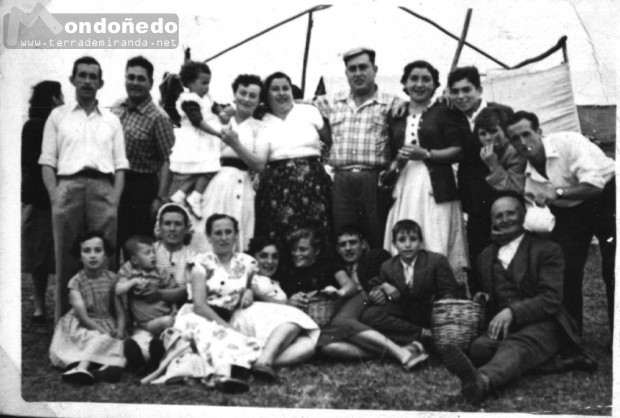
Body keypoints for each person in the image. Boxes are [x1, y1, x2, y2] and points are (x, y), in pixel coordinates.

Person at [440, 194, 584, 405]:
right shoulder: (485, 256)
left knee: (515, 346)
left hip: (546, 323)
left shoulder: (547, 250)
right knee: (479, 349)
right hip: (508, 329)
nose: (505, 219)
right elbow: (496, 296)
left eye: (511, 213)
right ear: (492, 221)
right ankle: (556, 363)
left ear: (523, 216)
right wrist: (482, 301)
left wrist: (513, 312)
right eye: (499, 216)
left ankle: (484, 380)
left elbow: (551, 299)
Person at [505, 111, 615, 333]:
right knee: (566, 268)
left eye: (527, 134)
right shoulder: (524, 173)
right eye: (515, 139)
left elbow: (595, 185)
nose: (523, 143)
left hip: (609, 195)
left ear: (539, 132)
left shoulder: (568, 142)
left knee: (613, 267)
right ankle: (572, 338)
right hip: (571, 210)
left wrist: (559, 192)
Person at [40, 56, 129, 323]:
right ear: (73, 79)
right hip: (68, 187)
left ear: (100, 83)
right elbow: (47, 161)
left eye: (93, 76)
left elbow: (120, 164)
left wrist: (114, 199)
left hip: (103, 189)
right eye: (83, 75)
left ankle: (105, 321)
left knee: (104, 259)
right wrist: (55, 196)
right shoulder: (58, 116)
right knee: (66, 257)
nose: (88, 81)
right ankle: (66, 324)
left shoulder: (112, 120)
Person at [282, 227, 424, 369]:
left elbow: (351, 286)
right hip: (328, 320)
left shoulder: (333, 264)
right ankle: (401, 350)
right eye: (294, 250)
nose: (297, 254)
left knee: (342, 322)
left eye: (302, 249)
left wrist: (340, 293)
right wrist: (291, 301)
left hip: (356, 299)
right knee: (328, 348)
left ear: (316, 251)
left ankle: (403, 354)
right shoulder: (290, 273)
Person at [382, 60, 468, 276]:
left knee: (435, 234)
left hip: (436, 187)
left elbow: (458, 149)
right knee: (405, 233)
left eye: (426, 79)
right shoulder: (396, 114)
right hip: (406, 186)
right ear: (404, 83)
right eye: (414, 79)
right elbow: (390, 152)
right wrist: (397, 162)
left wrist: (427, 154)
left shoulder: (444, 110)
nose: (419, 84)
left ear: (435, 85)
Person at [313, 47, 401, 248]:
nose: (358, 73)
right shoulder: (333, 101)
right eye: (352, 69)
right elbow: (301, 106)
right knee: (343, 237)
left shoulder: (392, 102)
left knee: (377, 236)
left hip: (375, 179)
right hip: (342, 180)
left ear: (375, 69)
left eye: (363, 67)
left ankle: (376, 279)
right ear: (346, 73)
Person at [360, 220, 462, 365]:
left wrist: (443, 311)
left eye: (413, 239)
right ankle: (421, 335)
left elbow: (449, 289)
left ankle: (420, 341)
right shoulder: (388, 266)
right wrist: (384, 286)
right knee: (369, 315)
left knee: (445, 341)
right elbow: (374, 284)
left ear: (420, 243)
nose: (407, 245)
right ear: (394, 244)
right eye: (402, 240)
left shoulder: (435, 261)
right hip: (406, 314)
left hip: (431, 312)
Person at [447, 66, 512, 286]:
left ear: (480, 89)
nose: (461, 96)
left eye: (467, 90)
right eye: (454, 91)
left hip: (500, 197)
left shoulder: (503, 113)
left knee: (504, 262)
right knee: (476, 262)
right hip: (471, 202)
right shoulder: (451, 116)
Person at [255, 71, 333, 253]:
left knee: (315, 234)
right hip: (277, 187)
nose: (281, 93)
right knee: (280, 235)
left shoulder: (310, 111)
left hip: (313, 184)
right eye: (275, 89)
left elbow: (332, 140)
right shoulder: (261, 119)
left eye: (285, 88)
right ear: (266, 94)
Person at [192, 74, 269, 253]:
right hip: (213, 182)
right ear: (234, 94)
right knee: (207, 233)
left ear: (259, 101)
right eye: (242, 93)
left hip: (242, 185)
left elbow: (259, 165)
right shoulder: (216, 120)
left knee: (238, 234)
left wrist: (235, 143)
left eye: (253, 96)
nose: (246, 99)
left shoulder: (260, 127)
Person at [111, 56, 176, 259]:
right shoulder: (116, 107)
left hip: (141, 189)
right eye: (131, 77)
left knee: (137, 249)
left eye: (141, 79)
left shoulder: (159, 117)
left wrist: (160, 197)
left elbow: (169, 159)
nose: (135, 83)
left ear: (150, 83)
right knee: (111, 243)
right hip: (112, 184)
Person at [49, 231, 126, 385]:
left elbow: (119, 311)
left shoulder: (112, 279)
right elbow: (83, 317)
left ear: (105, 255)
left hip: (105, 321)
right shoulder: (76, 282)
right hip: (83, 325)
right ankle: (82, 367)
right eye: (86, 251)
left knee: (121, 343)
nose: (92, 255)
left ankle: (104, 369)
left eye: (98, 251)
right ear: (80, 256)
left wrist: (120, 329)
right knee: (97, 339)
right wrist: (103, 332)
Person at [21, 80, 64, 323]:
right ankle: (39, 305)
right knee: (38, 257)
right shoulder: (35, 126)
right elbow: (29, 159)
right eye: (61, 96)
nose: (64, 101)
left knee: (57, 255)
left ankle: (55, 305)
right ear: (53, 100)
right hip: (39, 201)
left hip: (56, 198)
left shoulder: (59, 125)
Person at [168, 60, 226, 217]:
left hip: (204, 140)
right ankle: (195, 196)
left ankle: (180, 194)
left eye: (208, 83)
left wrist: (221, 112)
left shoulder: (206, 97)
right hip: (194, 140)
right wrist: (217, 133)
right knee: (210, 168)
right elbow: (197, 121)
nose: (206, 87)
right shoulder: (189, 99)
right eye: (203, 83)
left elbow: (215, 107)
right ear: (190, 83)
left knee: (200, 170)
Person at [116, 235, 177, 336]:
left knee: (176, 320)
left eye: (153, 252)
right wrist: (133, 281)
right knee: (167, 323)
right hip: (146, 324)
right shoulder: (129, 271)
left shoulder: (160, 271)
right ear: (135, 260)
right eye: (147, 253)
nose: (152, 255)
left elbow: (172, 290)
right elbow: (118, 290)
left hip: (167, 315)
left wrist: (174, 309)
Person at [473, 107, 525, 194]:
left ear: (504, 131)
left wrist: (494, 164)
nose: (488, 137)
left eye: (493, 131)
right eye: (482, 134)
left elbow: (517, 189)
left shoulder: (515, 152)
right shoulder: (484, 152)